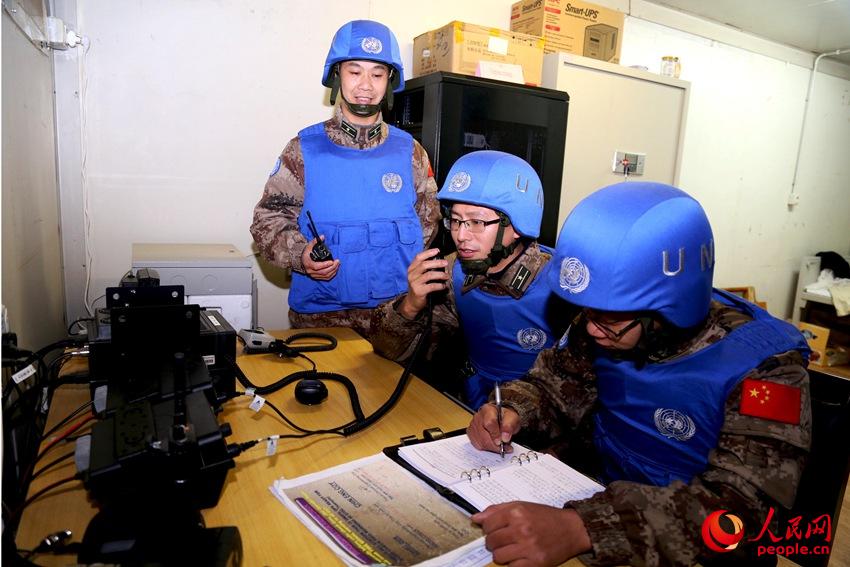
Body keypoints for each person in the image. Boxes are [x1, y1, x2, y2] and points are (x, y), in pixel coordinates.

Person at [466, 182, 812, 566]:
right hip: (595, 497)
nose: (592, 328)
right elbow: (554, 386)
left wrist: (584, 529)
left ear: (666, 308)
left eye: (608, 318)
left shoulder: (770, 372)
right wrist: (512, 411)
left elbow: (742, 513)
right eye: (588, 311)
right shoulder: (608, 321)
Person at [250, 20, 440, 339]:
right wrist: (300, 255)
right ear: (337, 75)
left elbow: (429, 222)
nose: (366, 84)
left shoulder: (412, 153)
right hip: (322, 319)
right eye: (355, 71)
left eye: (377, 74)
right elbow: (266, 221)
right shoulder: (302, 150)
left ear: (389, 80)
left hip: (397, 318)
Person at [371, 150, 571, 409]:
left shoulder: (561, 286)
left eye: (476, 222)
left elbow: (578, 392)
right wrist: (409, 306)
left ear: (518, 226)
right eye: (455, 221)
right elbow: (392, 352)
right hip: (471, 406)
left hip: (540, 423)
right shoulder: (453, 270)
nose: (461, 235)